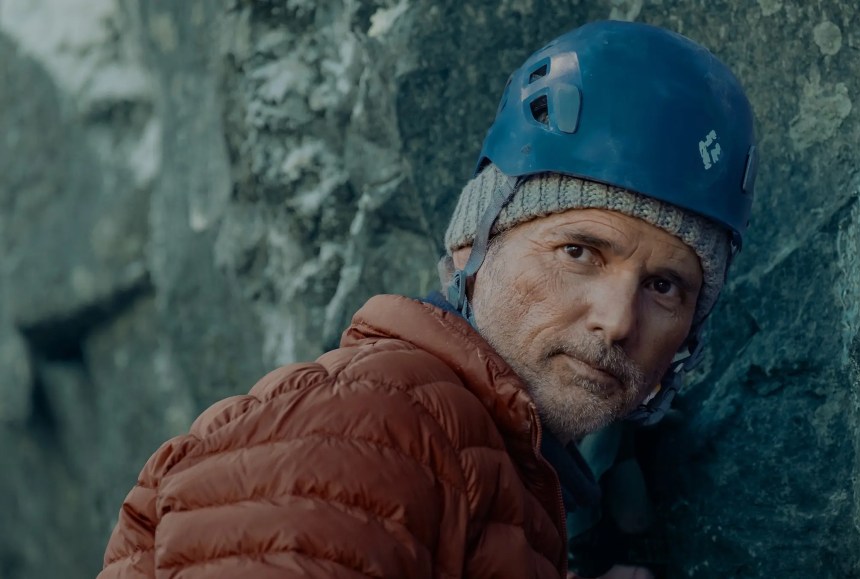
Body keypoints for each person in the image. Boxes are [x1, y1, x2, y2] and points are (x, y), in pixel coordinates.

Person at [98, 20, 757, 579]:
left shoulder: (458, 460)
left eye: (664, 286)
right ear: (472, 243)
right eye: (578, 251)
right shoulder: (366, 428)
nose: (616, 319)